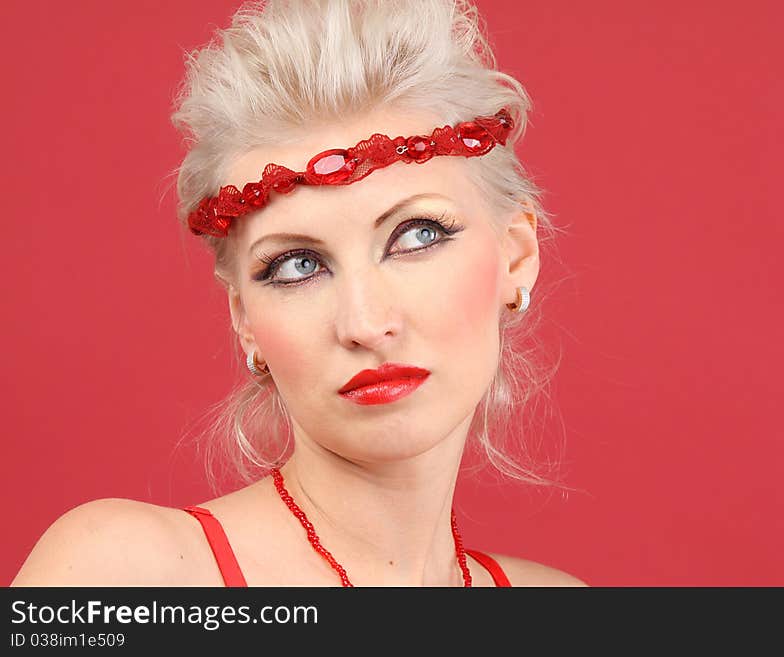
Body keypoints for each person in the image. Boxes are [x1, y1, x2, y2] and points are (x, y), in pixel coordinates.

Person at [12, 0, 585, 587]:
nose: (364, 323)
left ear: (516, 255)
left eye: (417, 235)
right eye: (298, 266)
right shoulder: (129, 572)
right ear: (245, 321)